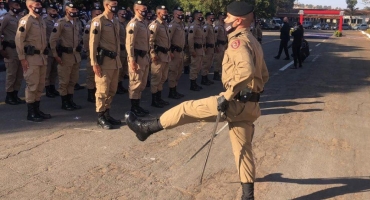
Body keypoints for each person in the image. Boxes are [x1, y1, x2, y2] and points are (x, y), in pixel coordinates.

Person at [125, 1, 269, 199]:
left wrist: (227, 96)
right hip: (250, 105)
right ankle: (248, 196)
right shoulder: (252, 39)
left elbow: (246, 71)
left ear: (238, 20)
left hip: (234, 103)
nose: (224, 20)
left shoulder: (239, 42)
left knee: (185, 109)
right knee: (243, 151)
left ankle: (147, 128)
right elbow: (264, 74)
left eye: (227, 17)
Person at [15, 0, 51, 122]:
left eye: (40, 5)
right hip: (31, 58)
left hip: (41, 57)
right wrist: (22, 58)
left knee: (40, 85)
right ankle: (31, 113)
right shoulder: (26, 20)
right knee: (32, 85)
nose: (40, 7)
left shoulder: (41, 20)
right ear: (30, 6)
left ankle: (37, 110)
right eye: (37, 5)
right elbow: (19, 39)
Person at [89, 0, 122, 129]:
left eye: (116, 4)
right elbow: (93, 43)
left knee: (112, 90)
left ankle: (107, 114)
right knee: (102, 90)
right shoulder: (98, 21)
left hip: (115, 62)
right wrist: (94, 62)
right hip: (104, 62)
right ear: (106, 5)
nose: (115, 6)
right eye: (112, 4)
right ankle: (100, 116)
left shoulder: (115, 20)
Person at [50, 2, 82, 111]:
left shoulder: (77, 22)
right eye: (72, 10)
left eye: (75, 10)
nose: (74, 12)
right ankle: (65, 102)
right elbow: (52, 40)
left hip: (76, 55)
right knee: (64, 81)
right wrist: (55, 55)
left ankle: (70, 100)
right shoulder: (61, 23)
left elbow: (79, 36)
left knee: (73, 80)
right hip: (65, 55)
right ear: (66, 10)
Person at [125, 0, 150, 117]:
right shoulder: (133, 24)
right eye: (143, 10)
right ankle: (133, 108)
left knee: (142, 83)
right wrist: (131, 60)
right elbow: (129, 43)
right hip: (136, 58)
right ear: (136, 10)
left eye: (146, 9)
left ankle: (138, 105)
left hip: (144, 57)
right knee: (135, 83)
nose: (145, 12)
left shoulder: (144, 23)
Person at [0, 0, 26, 105]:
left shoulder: (20, 18)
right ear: (10, 6)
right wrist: (1, 49)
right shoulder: (6, 17)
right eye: (16, 5)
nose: (18, 7)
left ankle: (15, 94)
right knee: (11, 73)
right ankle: (9, 95)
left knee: (19, 73)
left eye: (19, 5)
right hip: (10, 49)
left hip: (20, 49)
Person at [148, 5, 171, 108]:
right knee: (156, 78)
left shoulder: (165, 25)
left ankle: (159, 97)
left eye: (166, 12)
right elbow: (150, 41)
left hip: (166, 55)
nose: (165, 14)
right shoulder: (154, 25)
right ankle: (154, 100)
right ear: (158, 13)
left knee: (163, 77)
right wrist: (152, 54)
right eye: (164, 13)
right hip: (158, 56)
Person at [83, 5, 102, 103]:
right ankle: (90, 94)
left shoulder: (101, 22)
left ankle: (96, 92)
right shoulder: (90, 24)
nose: (98, 15)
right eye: (96, 13)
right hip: (92, 52)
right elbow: (86, 39)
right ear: (92, 14)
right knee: (91, 74)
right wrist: (88, 51)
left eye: (99, 13)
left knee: (99, 74)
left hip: (101, 53)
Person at [167, 6, 185, 99]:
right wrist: (169, 51)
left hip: (180, 52)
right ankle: (171, 91)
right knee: (173, 72)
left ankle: (175, 89)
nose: (181, 15)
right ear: (174, 14)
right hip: (174, 52)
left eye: (182, 13)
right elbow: (168, 39)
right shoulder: (172, 24)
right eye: (179, 14)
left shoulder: (181, 24)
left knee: (178, 71)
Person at [44, 3, 60, 98]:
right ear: (48, 11)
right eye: (53, 11)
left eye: (56, 11)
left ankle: (52, 86)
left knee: (54, 70)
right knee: (47, 70)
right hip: (48, 49)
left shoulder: (57, 21)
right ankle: (47, 89)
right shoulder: (45, 21)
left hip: (56, 48)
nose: (55, 12)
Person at [187, 10, 205, 91]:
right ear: (195, 16)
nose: (201, 16)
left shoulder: (200, 26)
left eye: (201, 15)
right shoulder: (193, 26)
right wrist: (192, 50)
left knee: (198, 67)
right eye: (199, 15)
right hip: (196, 50)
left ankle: (195, 82)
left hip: (200, 50)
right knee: (194, 67)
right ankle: (192, 84)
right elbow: (190, 39)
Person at [200, 12, 216, 86]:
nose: (213, 18)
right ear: (208, 18)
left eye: (213, 16)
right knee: (205, 63)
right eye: (211, 16)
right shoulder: (206, 26)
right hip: (208, 48)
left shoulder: (211, 26)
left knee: (209, 64)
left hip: (211, 48)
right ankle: (203, 78)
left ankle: (206, 78)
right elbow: (204, 37)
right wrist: (204, 47)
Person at [116, 6, 129, 95]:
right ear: (118, 14)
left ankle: (120, 84)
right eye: (122, 12)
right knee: (118, 69)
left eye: (125, 12)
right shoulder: (116, 23)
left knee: (124, 69)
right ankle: (116, 86)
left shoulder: (127, 23)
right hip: (119, 49)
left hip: (126, 49)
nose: (124, 14)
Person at [213, 12, 227, 81]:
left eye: (224, 16)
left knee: (223, 60)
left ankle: (220, 73)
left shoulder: (225, 26)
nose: (223, 18)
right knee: (217, 60)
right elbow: (215, 37)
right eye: (222, 16)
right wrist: (215, 46)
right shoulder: (217, 26)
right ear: (219, 17)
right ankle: (216, 74)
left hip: (224, 45)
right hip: (219, 45)